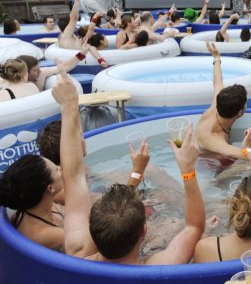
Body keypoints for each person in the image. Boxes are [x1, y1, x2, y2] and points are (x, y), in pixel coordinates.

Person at [52, 70, 206, 264]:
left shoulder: (78, 252)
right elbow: (194, 226)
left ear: (90, 228)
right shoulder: (156, 268)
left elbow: (73, 177)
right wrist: (188, 169)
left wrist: (68, 107)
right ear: (144, 230)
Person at [195, 42, 251, 161]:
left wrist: (216, 58)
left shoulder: (218, 105)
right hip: (208, 165)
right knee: (249, 165)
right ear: (240, 113)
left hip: (219, 152)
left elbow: (217, 81)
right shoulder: (212, 137)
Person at [0, 154, 64, 250]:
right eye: (57, 170)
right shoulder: (50, 235)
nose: (61, 169)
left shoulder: (33, 204)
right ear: (50, 188)